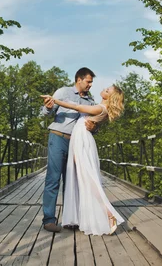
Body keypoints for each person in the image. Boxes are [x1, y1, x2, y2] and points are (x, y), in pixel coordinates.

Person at [41, 84, 125, 235]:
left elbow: (76, 107)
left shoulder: (98, 108)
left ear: (110, 97)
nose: (103, 88)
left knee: (87, 178)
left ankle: (108, 214)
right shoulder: (98, 106)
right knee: (81, 177)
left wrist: (56, 101)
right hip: (78, 140)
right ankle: (81, 216)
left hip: (81, 141)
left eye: (107, 90)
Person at [41, 67, 97, 233]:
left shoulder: (90, 102)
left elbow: (93, 126)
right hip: (58, 138)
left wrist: (94, 127)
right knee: (53, 178)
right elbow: (45, 113)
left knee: (72, 181)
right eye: (88, 81)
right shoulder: (62, 92)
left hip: (76, 144)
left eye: (91, 82)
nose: (90, 85)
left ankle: (70, 219)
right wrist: (48, 107)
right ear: (78, 79)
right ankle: (49, 220)